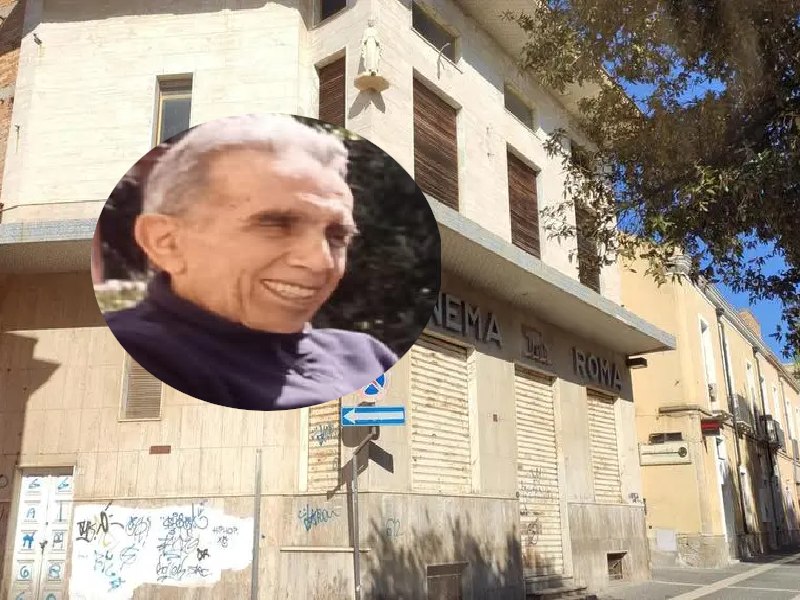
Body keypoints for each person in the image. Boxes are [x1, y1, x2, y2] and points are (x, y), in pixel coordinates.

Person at [104, 114, 398, 411]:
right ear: (166, 242)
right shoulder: (132, 356)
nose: (320, 262)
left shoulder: (366, 357)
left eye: (337, 236)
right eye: (276, 225)